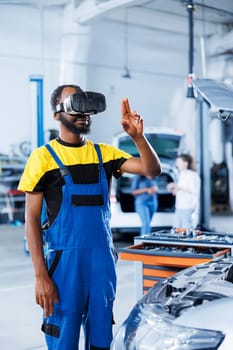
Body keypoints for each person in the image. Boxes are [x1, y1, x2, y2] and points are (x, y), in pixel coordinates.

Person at [18, 84, 161, 350]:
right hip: (64, 266)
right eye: (75, 104)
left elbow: (152, 170)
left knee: (101, 339)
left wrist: (138, 137)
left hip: (102, 264)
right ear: (57, 114)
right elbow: (32, 221)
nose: (84, 112)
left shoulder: (104, 153)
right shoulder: (42, 158)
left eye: (85, 104)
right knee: (63, 337)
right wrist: (40, 275)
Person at [167, 153, 200, 229]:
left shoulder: (192, 175)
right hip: (179, 206)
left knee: (186, 229)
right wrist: (175, 189)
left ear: (185, 163)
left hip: (188, 206)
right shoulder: (181, 174)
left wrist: (177, 187)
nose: (177, 164)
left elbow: (193, 190)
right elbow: (182, 187)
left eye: (179, 162)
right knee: (176, 228)